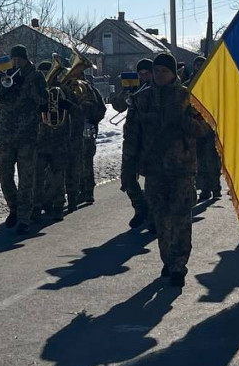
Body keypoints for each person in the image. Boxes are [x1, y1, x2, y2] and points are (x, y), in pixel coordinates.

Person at [125, 52, 207, 287]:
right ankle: (168, 259)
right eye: (157, 71)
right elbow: (132, 135)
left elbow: (203, 129)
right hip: (154, 169)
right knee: (161, 219)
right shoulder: (143, 98)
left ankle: (179, 265)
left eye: (164, 71)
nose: (160, 75)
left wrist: (181, 120)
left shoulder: (187, 97)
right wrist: (128, 168)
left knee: (181, 217)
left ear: (173, 73)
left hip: (182, 168)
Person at [0, 44, 46, 235]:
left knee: (26, 178)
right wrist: (2, 81)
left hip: (27, 135)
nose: (16, 62)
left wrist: (25, 85)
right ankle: (14, 207)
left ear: (26, 59)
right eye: (14, 59)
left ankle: (24, 217)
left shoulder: (35, 76)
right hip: (5, 135)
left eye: (19, 58)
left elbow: (43, 101)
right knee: (5, 176)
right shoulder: (5, 74)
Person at [35, 58, 78, 224]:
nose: (47, 76)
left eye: (49, 72)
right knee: (37, 177)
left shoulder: (63, 90)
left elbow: (77, 112)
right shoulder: (36, 91)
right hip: (40, 139)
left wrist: (66, 105)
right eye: (43, 74)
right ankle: (37, 207)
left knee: (58, 176)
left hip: (59, 140)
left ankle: (58, 206)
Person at [113, 58, 153, 228]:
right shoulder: (135, 89)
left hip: (149, 141)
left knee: (152, 180)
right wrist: (126, 93)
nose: (144, 77)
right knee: (127, 177)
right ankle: (140, 208)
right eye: (141, 74)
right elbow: (117, 106)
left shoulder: (156, 90)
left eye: (146, 73)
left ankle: (153, 213)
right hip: (131, 140)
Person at [67, 74, 107, 209]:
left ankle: (87, 192)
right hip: (72, 132)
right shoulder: (67, 89)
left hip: (86, 131)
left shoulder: (90, 90)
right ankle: (78, 191)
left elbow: (101, 109)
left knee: (86, 162)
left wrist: (92, 119)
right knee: (74, 163)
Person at [191, 57, 222, 201]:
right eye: (196, 66)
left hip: (211, 128)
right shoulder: (189, 86)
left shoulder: (215, 85)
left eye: (201, 66)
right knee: (200, 160)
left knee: (212, 160)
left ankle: (215, 188)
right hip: (195, 129)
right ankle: (204, 189)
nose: (198, 68)